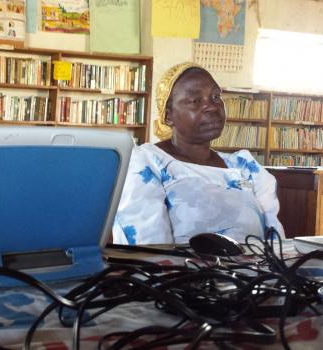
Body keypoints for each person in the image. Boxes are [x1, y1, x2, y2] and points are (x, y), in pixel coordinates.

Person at [112, 62, 284, 245]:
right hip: (185, 273)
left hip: (256, 272)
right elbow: (149, 247)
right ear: (168, 116)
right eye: (196, 100)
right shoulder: (148, 162)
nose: (212, 106)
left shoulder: (244, 165)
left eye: (216, 96)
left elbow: (276, 242)